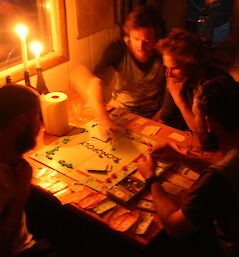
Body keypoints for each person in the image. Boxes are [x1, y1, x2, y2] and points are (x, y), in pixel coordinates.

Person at [138, 76, 239, 257]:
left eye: (195, 116)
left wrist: (151, 179)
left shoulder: (217, 179)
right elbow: (232, 171)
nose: (194, 124)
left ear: (209, 123)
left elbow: (174, 227)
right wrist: (179, 158)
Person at [72, 5, 166, 139]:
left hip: (151, 117)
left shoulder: (165, 56)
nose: (140, 47)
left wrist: (152, 123)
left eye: (146, 41)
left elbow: (169, 101)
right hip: (119, 112)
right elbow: (92, 81)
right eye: (136, 39)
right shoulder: (118, 49)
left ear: (157, 40)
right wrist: (103, 118)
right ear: (129, 35)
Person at [0, 84, 61, 257]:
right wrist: (22, 192)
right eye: (37, 116)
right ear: (20, 123)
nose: (40, 125)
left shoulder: (8, 152)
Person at [157, 28, 229, 131]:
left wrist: (180, 102)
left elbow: (203, 134)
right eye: (166, 67)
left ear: (192, 64)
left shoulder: (215, 85)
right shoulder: (175, 79)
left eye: (174, 68)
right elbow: (165, 118)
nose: (168, 74)